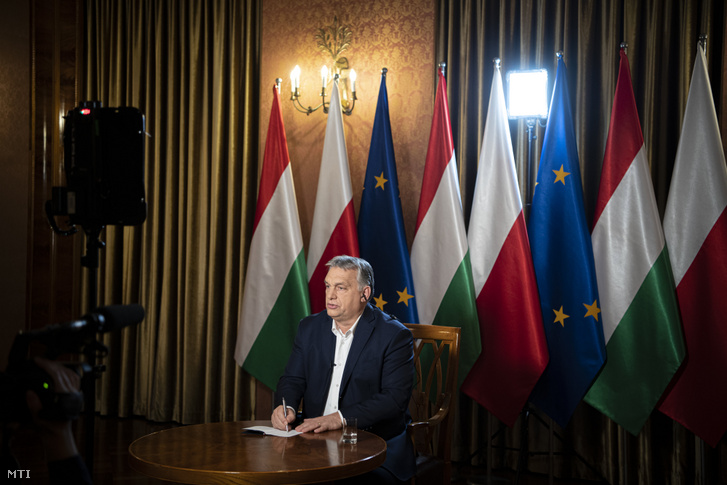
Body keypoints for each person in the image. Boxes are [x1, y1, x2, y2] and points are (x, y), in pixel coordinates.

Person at [271, 255, 416, 484]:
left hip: (372, 444)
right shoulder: (309, 327)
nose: (330, 295)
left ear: (364, 294)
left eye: (341, 288)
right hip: (314, 441)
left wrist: (338, 419)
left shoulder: (394, 336)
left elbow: (394, 399)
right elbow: (292, 379)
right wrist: (285, 406)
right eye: (328, 286)